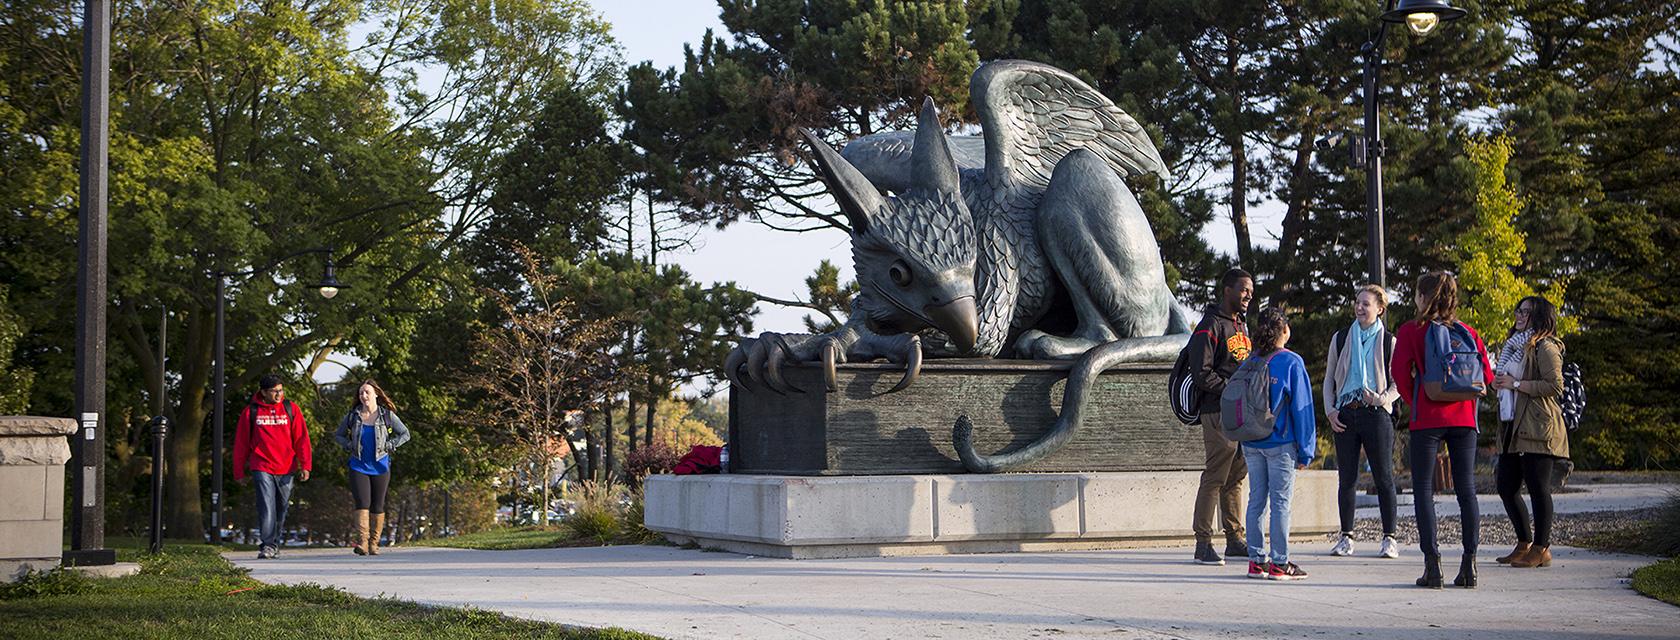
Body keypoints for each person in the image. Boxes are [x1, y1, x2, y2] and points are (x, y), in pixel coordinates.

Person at [1391, 271, 1493, 589]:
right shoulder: (1468, 332)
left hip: (1428, 419)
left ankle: (1432, 567)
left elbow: (1399, 372)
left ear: (1423, 298)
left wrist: (1417, 401)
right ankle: (1469, 566)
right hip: (1464, 419)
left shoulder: (1412, 331)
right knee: (1467, 490)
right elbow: (1486, 376)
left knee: (1423, 488)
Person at [1323, 285, 1401, 559]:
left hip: (1376, 413)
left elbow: (1399, 382)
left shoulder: (1389, 341)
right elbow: (1329, 378)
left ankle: (1389, 538)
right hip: (1346, 412)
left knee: (1384, 477)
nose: (1359, 308)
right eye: (1357, 303)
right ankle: (1346, 537)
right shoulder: (1341, 338)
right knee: (1347, 478)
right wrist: (1331, 410)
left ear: (1380, 308)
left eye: (1366, 304)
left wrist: (1381, 399)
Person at [1240, 307, 1317, 581]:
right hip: (1280, 442)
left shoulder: (1249, 360)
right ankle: (1280, 563)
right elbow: (1302, 409)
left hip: (1251, 442)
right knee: (1281, 502)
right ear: (1284, 330)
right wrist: (1307, 450)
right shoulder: (1291, 362)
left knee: (1256, 501)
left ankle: (1256, 561)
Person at [1492, 296, 1568, 569]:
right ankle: (1524, 543)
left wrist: (1517, 384)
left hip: (1538, 426)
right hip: (1513, 424)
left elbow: (1554, 386)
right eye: (1518, 310)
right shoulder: (1514, 347)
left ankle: (1542, 547)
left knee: (1538, 488)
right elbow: (1509, 382)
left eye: (1526, 311)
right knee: (1506, 486)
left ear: (1539, 316)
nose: (1519, 315)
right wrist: (1500, 383)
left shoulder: (1545, 347)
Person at [1188, 268, 1254, 566]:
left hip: (1241, 415)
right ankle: (1203, 543)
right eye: (1243, 290)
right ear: (1227, 290)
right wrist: (1231, 391)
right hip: (1217, 411)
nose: (1248, 296)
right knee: (1215, 476)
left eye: (1251, 292)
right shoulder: (1210, 326)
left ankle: (1234, 539)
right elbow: (1201, 374)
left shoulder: (1241, 326)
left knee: (1236, 476)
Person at [232, 374, 312, 559]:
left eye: (281, 390)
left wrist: (305, 465)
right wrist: (239, 471)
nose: (279, 394)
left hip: (286, 466)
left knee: (281, 506)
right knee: (267, 506)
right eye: (274, 391)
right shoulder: (251, 412)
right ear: (263, 392)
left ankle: (274, 542)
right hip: (261, 465)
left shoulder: (291, 409)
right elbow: (241, 444)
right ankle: (267, 545)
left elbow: (301, 438)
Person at [334, 379, 411, 556]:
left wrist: (392, 444)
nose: (363, 395)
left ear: (376, 394)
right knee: (362, 502)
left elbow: (405, 434)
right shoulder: (353, 416)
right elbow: (338, 435)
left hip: (381, 465)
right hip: (358, 465)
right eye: (361, 393)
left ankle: (374, 543)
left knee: (378, 504)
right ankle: (362, 542)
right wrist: (348, 445)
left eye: (367, 392)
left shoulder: (387, 416)